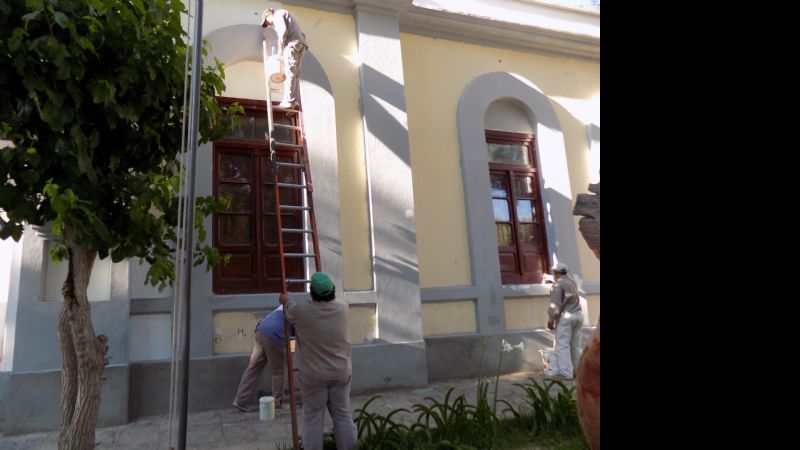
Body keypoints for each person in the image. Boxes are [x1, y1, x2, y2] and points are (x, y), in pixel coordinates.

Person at [280, 272, 356, 450]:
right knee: (343, 415)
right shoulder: (344, 308)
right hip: (340, 372)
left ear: (311, 291)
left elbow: (288, 309)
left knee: (313, 418)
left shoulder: (302, 311)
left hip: (313, 375)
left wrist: (284, 300)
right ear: (333, 291)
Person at [232, 305, 294, 412]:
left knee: (254, 367)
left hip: (260, 332)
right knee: (279, 371)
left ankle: (240, 400)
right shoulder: (302, 315)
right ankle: (277, 403)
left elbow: (268, 319)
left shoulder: (283, 307)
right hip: (274, 337)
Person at [260, 8, 308, 109]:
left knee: (289, 72)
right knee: (295, 74)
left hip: (292, 44)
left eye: (267, 21)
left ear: (269, 15)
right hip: (301, 44)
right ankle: (294, 101)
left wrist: (280, 49)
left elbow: (283, 31)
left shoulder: (277, 15)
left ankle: (288, 101)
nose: (269, 24)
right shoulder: (285, 14)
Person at [546, 262, 584, 380]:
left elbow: (556, 305)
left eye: (554, 273)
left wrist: (551, 320)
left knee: (562, 345)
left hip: (566, 317)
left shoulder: (558, 285)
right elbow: (564, 287)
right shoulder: (571, 281)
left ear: (557, 273)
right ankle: (580, 373)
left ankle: (566, 373)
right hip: (578, 315)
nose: (553, 274)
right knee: (575, 346)